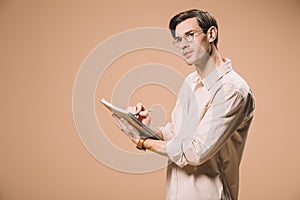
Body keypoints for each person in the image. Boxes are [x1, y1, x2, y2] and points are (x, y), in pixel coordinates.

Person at [113, 9, 255, 200]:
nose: (183, 45)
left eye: (190, 35)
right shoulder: (190, 82)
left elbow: (195, 151)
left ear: (211, 34)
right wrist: (145, 128)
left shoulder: (232, 90)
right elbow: (176, 133)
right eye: (178, 40)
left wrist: (144, 142)